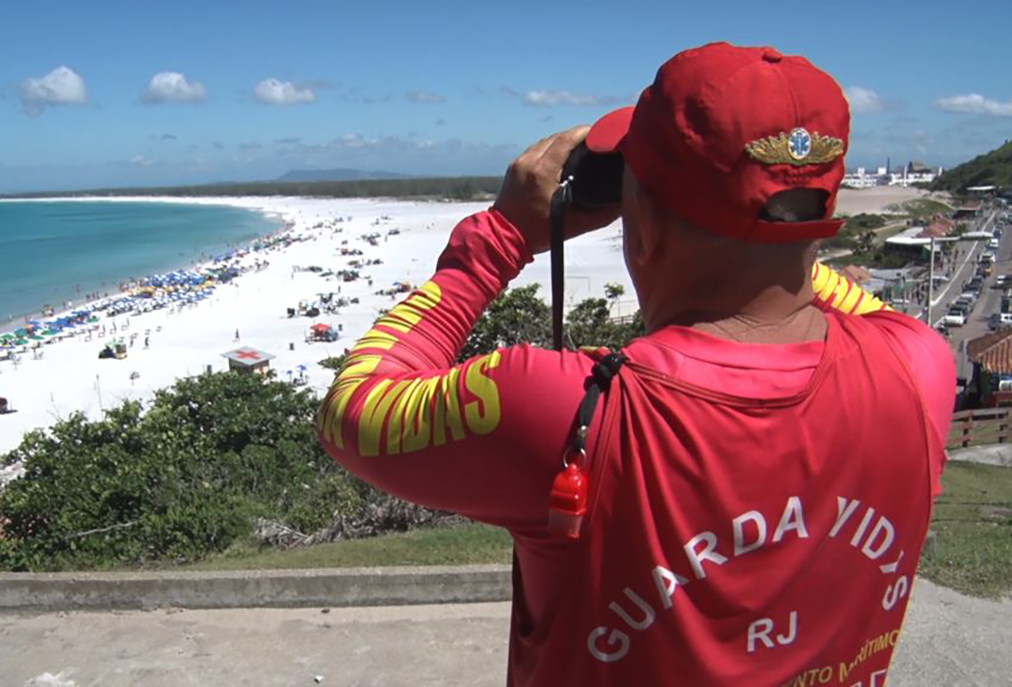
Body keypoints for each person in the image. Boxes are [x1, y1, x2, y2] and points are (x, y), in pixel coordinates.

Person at [318, 42, 954, 686]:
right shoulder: (919, 369)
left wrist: (502, 236)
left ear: (641, 225)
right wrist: (773, 233)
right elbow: (834, 297)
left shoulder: (568, 413)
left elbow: (354, 410)